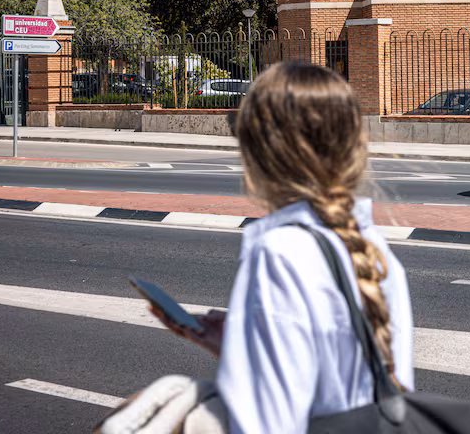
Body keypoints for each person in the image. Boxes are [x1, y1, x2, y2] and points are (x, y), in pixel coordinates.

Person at [153, 61, 415, 434]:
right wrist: (241, 346)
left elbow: (267, 424)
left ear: (262, 153)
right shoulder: (372, 246)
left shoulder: (281, 251)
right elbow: (340, 386)